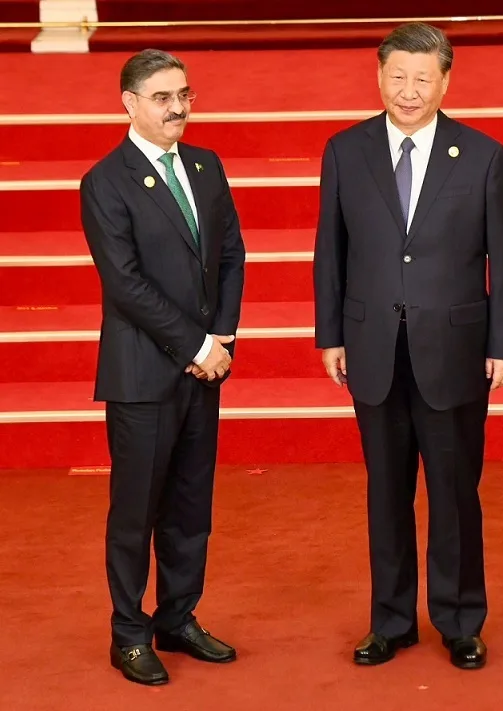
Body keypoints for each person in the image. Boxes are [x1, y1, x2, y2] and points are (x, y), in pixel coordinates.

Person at [313, 22, 503, 670]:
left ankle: (461, 618)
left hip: (455, 349)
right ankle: (391, 619)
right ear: (379, 78)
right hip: (372, 345)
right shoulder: (345, 151)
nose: (408, 90)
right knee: (386, 491)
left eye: (421, 78)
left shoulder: (483, 154)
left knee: (456, 490)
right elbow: (331, 250)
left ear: (446, 81)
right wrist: (330, 333)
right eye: (397, 77)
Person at [80, 49, 246, 686]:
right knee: (135, 509)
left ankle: (178, 617)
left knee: (189, 505)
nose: (177, 107)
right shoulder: (106, 181)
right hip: (144, 374)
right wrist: (198, 346)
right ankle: (128, 633)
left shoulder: (205, 165)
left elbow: (230, 251)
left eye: (184, 94)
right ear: (128, 102)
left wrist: (222, 333)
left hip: (204, 368)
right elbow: (124, 286)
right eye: (161, 97)